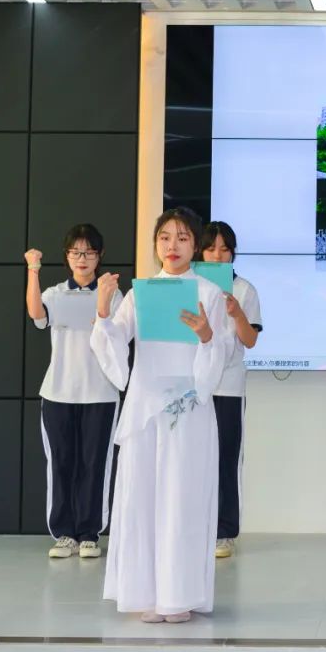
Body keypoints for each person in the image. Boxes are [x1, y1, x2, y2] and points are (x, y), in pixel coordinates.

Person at [92, 207, 233, 623]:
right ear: (156, 244)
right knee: (143, 499)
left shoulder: (209, 293)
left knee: (182, 500)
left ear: (195, 245)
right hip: (146, 406)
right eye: (165, 238)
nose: (173, 246)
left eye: (182, 238)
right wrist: (102, 309)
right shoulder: (141, 293)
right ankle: (147, 593)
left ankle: (180, 595)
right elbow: (113, 341)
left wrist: (206, 336)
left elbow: (219, 351)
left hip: (188, 409)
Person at [25, 224, 121, 560]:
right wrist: (33, 269)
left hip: (101, 393)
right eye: (76, 252)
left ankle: (90, 533)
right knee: (61, 463)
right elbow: (36, 314)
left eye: (89, 252)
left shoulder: (113, 293)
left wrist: (105, 301)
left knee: (95, 464)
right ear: (67, 256)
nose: (82, 258)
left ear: (99, 255)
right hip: (58, 392)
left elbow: (119, 335)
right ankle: (64, 533)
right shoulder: (55, 294)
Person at [199, 221, 263, 559]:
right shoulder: (189, 286)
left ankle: (224, 532)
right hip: (194, 386)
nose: (217, 255)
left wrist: (237, 314)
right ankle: (195, 528)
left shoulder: (244, 289)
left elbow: (250, 340)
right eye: (211, 249)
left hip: (228, 386)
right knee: (192, 459)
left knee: (226, 459)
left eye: (224, 249)